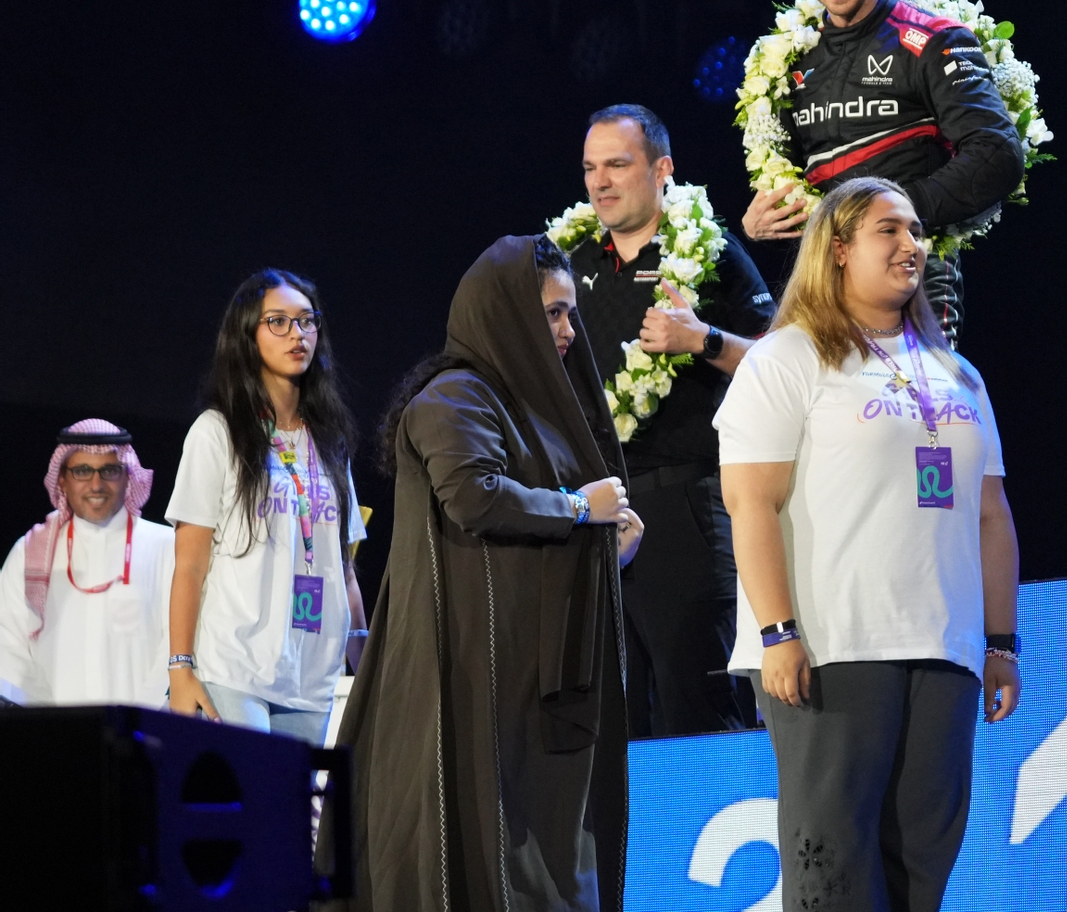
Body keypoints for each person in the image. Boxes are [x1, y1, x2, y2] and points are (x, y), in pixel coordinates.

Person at [719, 176, 1021, 912]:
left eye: (916, 230)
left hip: (943, 644)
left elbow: (991, 514)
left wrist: (1001, 642)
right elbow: (750, 501)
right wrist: (778, 632)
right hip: (832, 644)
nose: (911, 244)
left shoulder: (958, 372)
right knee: (835, 857)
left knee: (924, 852)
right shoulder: (786, 358)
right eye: (890, 229)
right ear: (838, 249)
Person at [334, 235, 642, 911]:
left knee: (551, 845)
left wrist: (608, 545)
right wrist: (578, 508)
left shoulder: (538, 406)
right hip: (475, 665)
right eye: (552, 313)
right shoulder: (455, 397)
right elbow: (474, 497)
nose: (567, 330)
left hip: (541, 673)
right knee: (485, 836)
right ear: (505, 314)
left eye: (569, 313)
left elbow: (551, 530)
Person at [572, 102, 776, 738]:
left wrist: (703, 339)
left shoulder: (711, 252)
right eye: (590, 168)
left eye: (617, 165)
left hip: (684, 511)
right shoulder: (572, 263)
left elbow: (783, 370)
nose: (600, 182)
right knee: (614, 722)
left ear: (662, 170)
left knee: (698, 713)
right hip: (595, 515)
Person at [740, 0, 1025, 342]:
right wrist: (762, 220)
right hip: (824, 278)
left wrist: (891, 221)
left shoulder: (935, 39)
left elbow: (998, 154)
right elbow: (787, 172)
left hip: (911, 271)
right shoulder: (788, 59)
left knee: (913, 393)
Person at [165, 269, 367, 741]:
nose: (297, 334)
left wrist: (367, 664)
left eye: (307, 321)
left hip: (312, 674)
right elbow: (190, 565)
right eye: (278, 321)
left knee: (295, 794)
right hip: (233, 666)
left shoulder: (330, 442)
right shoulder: (217, 432)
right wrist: (180, 667)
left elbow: (344, 569)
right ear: (247, 337)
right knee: (250, 788)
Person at [0, 420, 176, 707]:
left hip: (148, 725)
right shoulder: (29, 551)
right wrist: (48, 718)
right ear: (62, 479)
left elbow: (178, 643)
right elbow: (8, 644)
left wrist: (143, 716)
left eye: (110, 470)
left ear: (128, 476)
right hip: (51, 726)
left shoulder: (168, 547)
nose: (96, 485)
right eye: (82, 471)